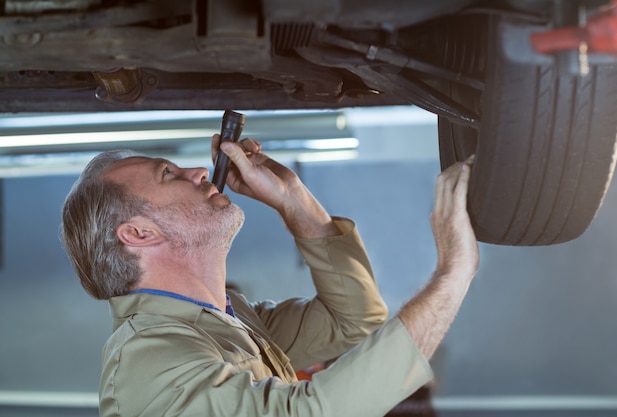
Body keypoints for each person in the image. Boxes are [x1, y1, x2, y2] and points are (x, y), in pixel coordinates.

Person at [61, 133, 478, 417]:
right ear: (138, 233)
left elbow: (351, 319)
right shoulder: (148, 357)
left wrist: (292, 199)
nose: (199, 173)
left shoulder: (229, 317)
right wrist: (454, 271)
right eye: (168, 174)